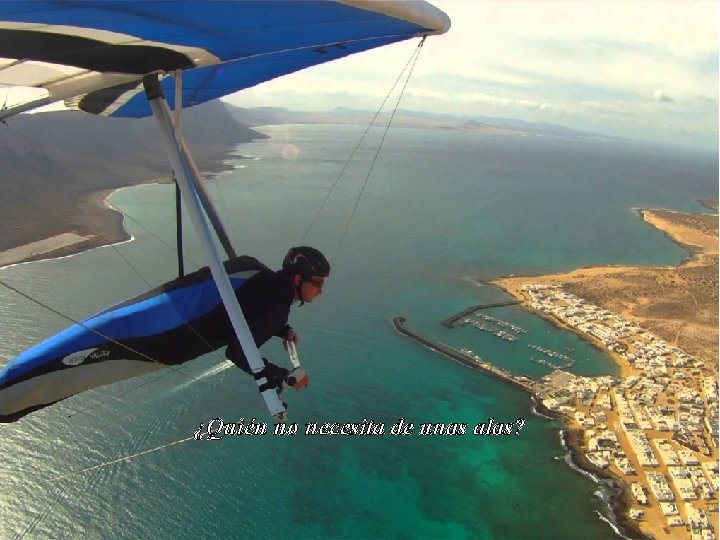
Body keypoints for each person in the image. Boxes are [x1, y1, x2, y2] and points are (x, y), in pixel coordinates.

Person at [225, 246, 330, 395]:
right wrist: (283, 377)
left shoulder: (261, 275)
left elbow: (252, 309)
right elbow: (236, 353)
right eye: (318, 283)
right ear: (298, 279)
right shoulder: (276, 310)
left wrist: (284, 331)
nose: (321, 290)